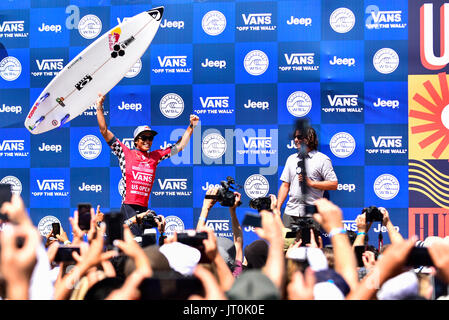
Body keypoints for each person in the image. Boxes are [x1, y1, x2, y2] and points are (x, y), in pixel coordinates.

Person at [95, 93, 199, 236]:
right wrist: (99, 107)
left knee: (145, 246)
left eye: (150, 138)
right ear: (136, 141)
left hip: (144, 209)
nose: (147, 141)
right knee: (132, 245)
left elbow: (179, 147)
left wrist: (191, 126)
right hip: (128, 207)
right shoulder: (125, 153)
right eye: (144, 137)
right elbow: (104, 131)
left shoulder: (155, 156)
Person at [276, 124, 338, 229]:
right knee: (288, 244)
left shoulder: (322, 159)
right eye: (294, 137)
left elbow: (334, 184)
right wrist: (277, 207)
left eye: (299, 137)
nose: (295, 140)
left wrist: (311, 183)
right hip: (290, 212)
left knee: (310, 244)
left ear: (309, 138)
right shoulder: (291, 159)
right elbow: (285, 185)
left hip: (311, 214)